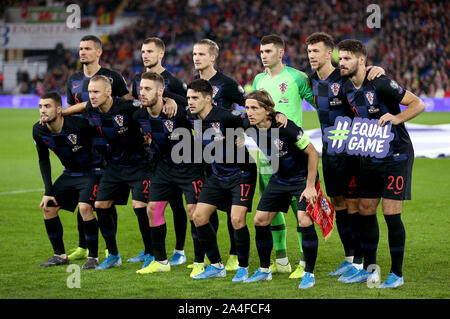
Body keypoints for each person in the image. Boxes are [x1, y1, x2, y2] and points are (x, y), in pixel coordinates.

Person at [338, 39, 425, 288]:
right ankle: (369, 269)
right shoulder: (345, 89)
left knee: (390, 213)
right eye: (340, 58)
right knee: (366, 209)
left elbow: (418, 103)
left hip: (396, 155)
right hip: (370, 156)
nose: (341, 63)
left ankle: (396, 274)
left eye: (346, 59)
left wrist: (396, 118)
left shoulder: (381, 82)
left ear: (361, 60)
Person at [305, 32, 385, 281]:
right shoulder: (310, 80)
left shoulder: (344, 75)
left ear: (330, 54)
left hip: (351, 151)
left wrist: (377, 69)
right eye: (308, 51)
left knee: (353, 206)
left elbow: (366, 76)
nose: (311, 56)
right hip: (329, 151)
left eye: (316, 51)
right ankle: (350, 258)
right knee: (338, 202)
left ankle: (361, 262)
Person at [64, 75, 156, 270]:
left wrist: (170, 102)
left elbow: (148, 104)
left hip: (139, 164)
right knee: (101, 205)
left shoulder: (127, 106)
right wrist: (61, 113)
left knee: (140, 207)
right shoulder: (92, 108)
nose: (92, 96)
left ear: (108, 92)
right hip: (114, 166)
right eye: (90, 92)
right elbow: (82, 107)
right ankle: (113, 255)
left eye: (96, 91)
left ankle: (150, 253)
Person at [242, 90, 319, 289]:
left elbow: (313, 153)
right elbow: (223, 115)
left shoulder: (285, 127)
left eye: (254, 108)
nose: (249, 112)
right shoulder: (248, 124)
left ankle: (309, 273)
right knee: (260, 220)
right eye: (247, 108)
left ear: (267, 110)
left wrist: (310, 186)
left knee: (303, 219)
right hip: (280, 179)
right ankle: (265, 270)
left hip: (302, 179)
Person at [252, 34, 315, 278]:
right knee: (271, 208)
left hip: (294, 155)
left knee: (300, 211)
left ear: (281, 52)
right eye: (261, 52)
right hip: (267, 156)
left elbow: (319, 102)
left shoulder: (298, 77)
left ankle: (303, 263)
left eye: (268, 51)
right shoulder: (258, 79)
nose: (263, 56)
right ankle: (281, 259)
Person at [65, 35, 130, 261]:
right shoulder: (73, 79)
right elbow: (72, 111)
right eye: (80, 48)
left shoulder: (112, 77)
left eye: (87, 48)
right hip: (84, 146)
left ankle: (108, 249)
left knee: (104, 199)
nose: (82, 52)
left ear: (99, 52)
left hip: (107, 146)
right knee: (82, 194)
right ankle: (83, 246)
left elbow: (127, 104)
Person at [133, 72, 204, 275]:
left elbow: (203, 122)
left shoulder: (179, 112)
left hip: (189, 167)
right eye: (141, 89)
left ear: (160, 91)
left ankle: (199, 262)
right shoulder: (139, 115)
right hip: (163, 168)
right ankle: (161, 261)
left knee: (194, 213)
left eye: (147, 89)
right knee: (153, 209)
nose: (142, 93)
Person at [188, 79, 257, 282]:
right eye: (189, 98)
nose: (190, 102)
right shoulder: (190, 116)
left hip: (241, 173)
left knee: (237, 219)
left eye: (195, 98)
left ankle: (243, 268)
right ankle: (217, 265)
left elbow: (253, 120)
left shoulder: (227, 116)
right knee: (199, 216)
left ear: (208, 99)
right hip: (217, 174)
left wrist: (247, 135)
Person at [129, 37, 189, 267]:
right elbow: (135, 106)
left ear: (161, 54)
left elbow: (188, 104)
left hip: (178, 152)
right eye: (143, 51)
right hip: (152, 154)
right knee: (149, 204)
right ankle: (150, 251)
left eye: (150, 51)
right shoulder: (137, 79)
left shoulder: (173, 81)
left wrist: (170, 98)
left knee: (176, 204)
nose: (145, 55)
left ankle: (180, 250)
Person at [192, 39, 247, 272]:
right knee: (205, 206)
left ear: (213, 57)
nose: (196, 58)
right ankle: (207, 257)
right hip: (203, 155)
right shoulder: (193, 86)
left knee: (231, 209)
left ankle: (234, 254)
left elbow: (249, 105)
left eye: (201, 54)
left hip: (228, 156)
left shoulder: (227, 83)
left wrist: (239, 133)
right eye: (194, 54)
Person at [33, 92, 103, 269]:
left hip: (92, 171)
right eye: (40, 106)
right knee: (47, 207)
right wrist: (48, 191)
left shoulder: (78, 124)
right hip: (70, 173)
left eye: (47, 106)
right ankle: (60, 255)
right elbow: (43, 160)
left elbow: (102, 134)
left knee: (85, 208)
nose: (42, 110)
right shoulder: (39, 130)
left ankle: (93, 258)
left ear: (59, 110)